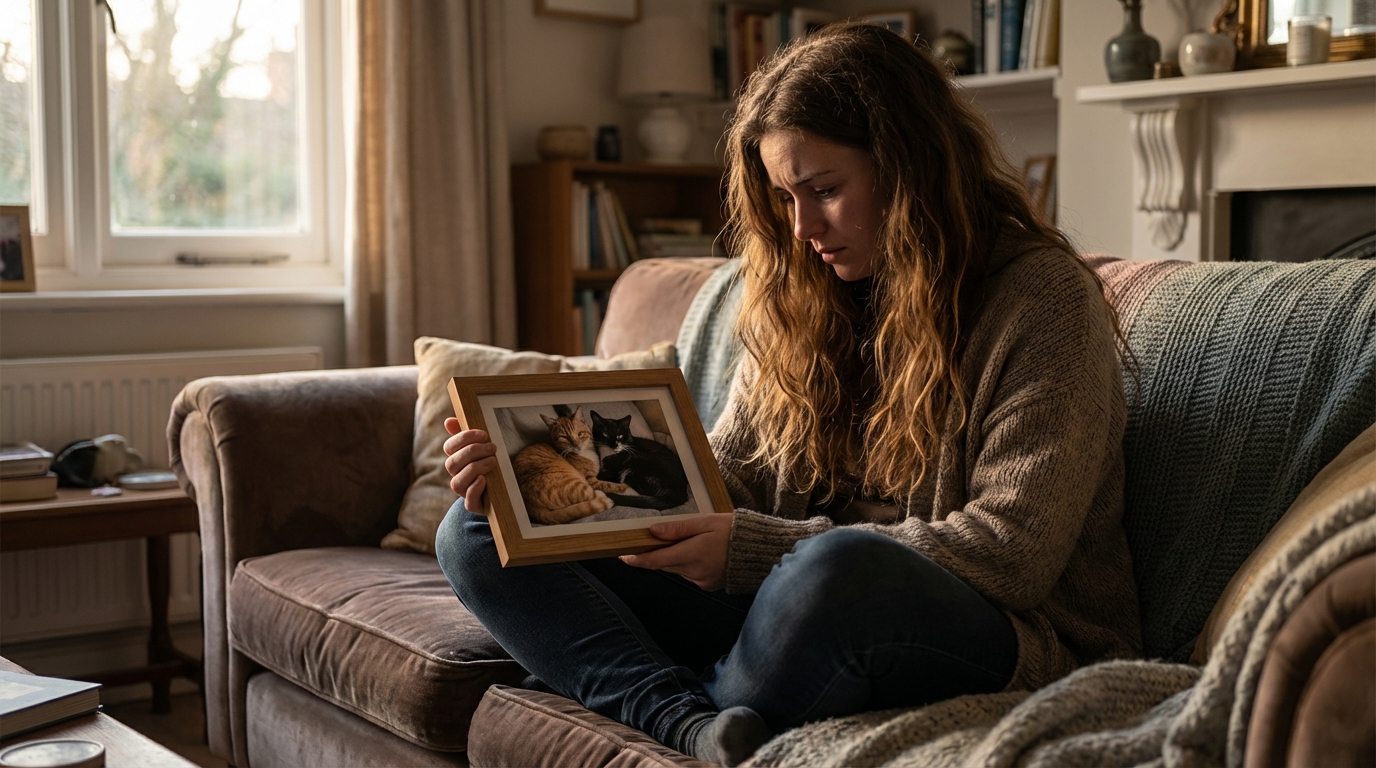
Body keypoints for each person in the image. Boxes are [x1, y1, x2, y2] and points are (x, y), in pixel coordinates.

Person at [436, 22, 1141, 767]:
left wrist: (752, 549)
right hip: (787, 604)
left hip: (984, 625)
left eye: (826, 191)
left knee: (835, 571)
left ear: (912, 168)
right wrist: (528, 484)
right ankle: (688, 722)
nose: (803, 228)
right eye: (784, 199)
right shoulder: (801, 293)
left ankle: (657, 690)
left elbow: (1013, 552)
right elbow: (727, 481)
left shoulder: (1044, 300)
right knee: (475, 533)